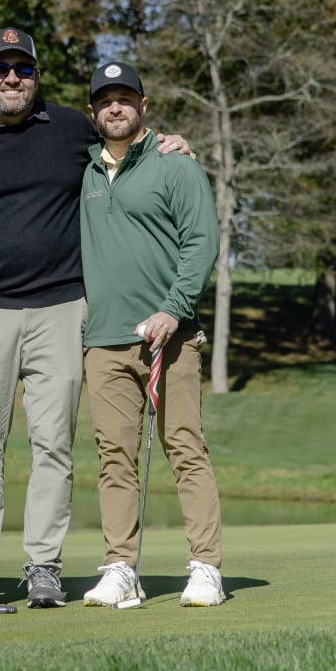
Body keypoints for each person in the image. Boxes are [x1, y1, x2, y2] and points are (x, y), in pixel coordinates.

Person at [0, 28, 193, 609]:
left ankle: (43, 566)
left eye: (22, 70)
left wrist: (172, 143)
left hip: (62, 309)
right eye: (0, 69)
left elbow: (129, 144)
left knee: (53, 445)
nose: (11, 79)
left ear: (36, 77)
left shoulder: (73, 127)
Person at [77, 61, 224, 608]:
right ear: (92, 110)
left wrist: (173, 309)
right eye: (105, 100)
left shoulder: (176, 166)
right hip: (105, 341)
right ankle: (120, 567)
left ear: (143, 104)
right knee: (114, 456)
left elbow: (200, 243)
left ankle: (205, 566)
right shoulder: (86, 170)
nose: (115, 107)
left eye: (125, 98)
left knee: (184, 447)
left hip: (172, 337)